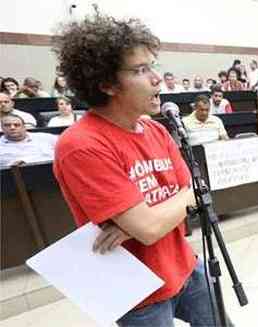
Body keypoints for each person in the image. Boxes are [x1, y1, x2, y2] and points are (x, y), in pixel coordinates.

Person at [51, 14, 233, 326]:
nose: (156, 78)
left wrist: (140, 221)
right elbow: (151, 227)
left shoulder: (156, 131)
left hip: (183, 265)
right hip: (136, 291)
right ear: (106, 83)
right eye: (141, 70)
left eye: (153, 66)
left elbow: (195, 192)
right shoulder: (81, 145)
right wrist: (163, 211)